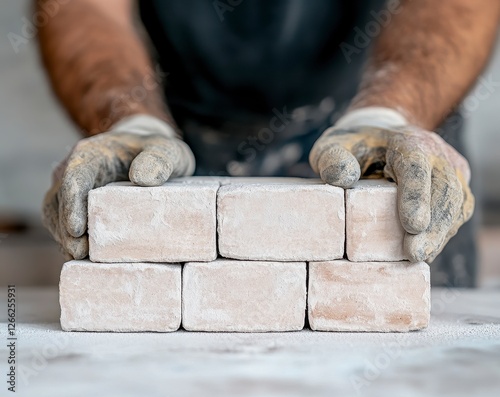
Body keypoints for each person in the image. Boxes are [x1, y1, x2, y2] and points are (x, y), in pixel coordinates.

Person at [37, 0, 500, 286]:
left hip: (387, 128)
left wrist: (390, 112)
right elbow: (81, 6)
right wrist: (129, 122)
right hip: (174, 137)